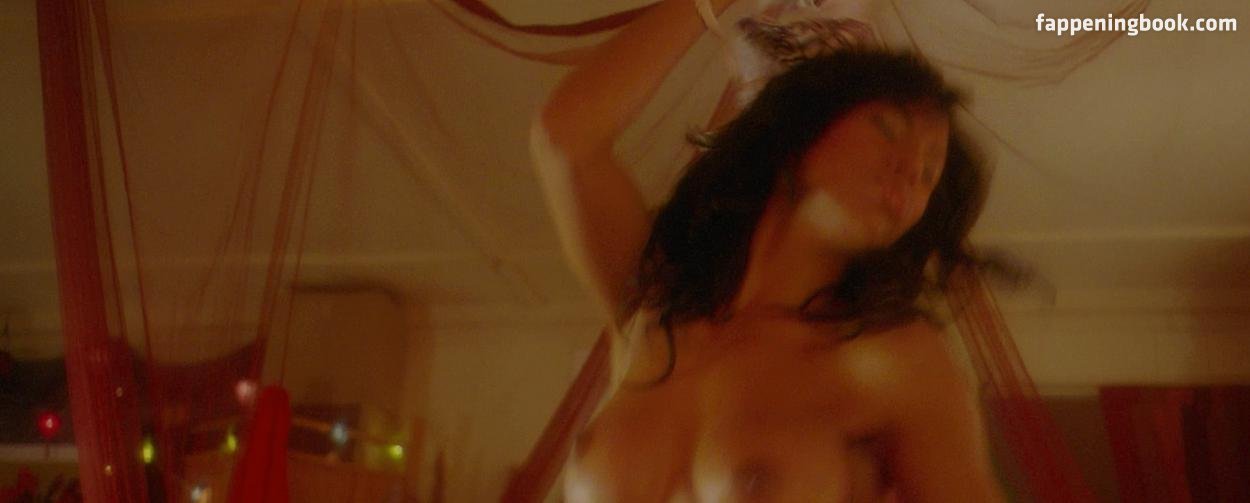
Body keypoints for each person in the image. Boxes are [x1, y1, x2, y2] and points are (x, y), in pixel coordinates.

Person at [530, 0, 1005, 500]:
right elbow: (566, 139)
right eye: (887, 130)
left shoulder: (899, 359)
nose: (910, 171)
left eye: (930, 171)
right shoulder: (655, 302)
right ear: (795, 132)